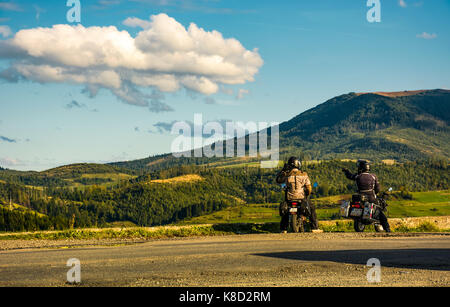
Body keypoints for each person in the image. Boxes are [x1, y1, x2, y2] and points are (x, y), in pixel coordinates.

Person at [342, 160, 391, 232]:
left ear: (361, 168)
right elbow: (377, 189)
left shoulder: (357, 176)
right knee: (380, 212)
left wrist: (346, 171)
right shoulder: (373, 176)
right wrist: (376, 193)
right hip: (371, 198)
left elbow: (350, 176)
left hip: (360, 198)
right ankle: (387, 229)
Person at [276, 157, 319, 232]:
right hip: (301, 197)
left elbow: (278, 180)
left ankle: (283, 229)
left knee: (286, 211)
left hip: (289, 198)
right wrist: (308, 193)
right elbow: (308, 187)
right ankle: (314, 228)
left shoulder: (287, 175)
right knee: (311, 208)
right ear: (297, 164)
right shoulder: (304, 174)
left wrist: (283, 170)